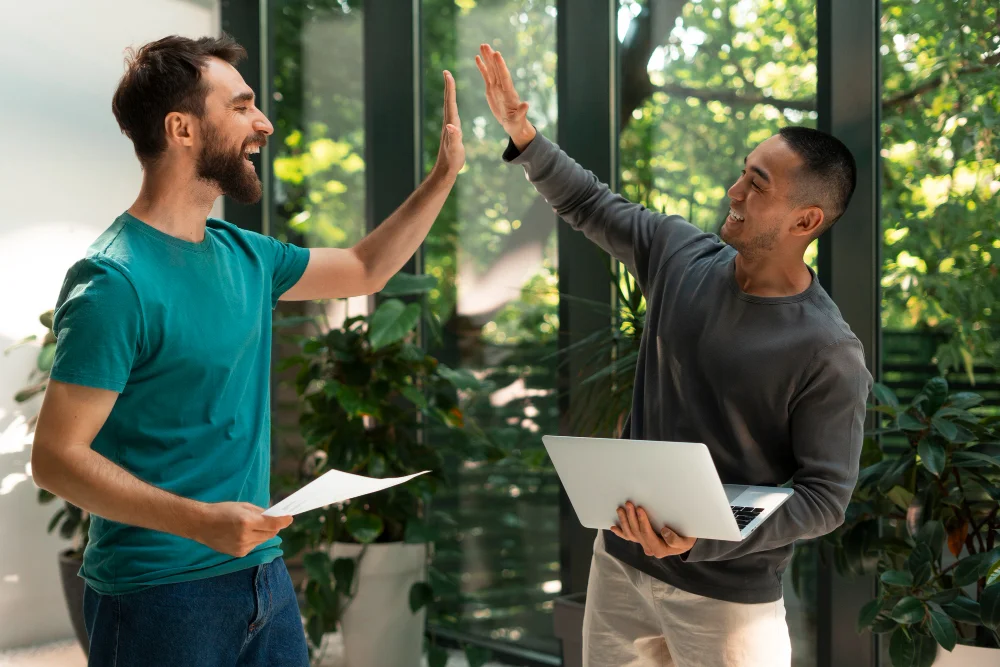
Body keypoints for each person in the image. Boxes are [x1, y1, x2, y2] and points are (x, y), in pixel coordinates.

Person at [30, 34, 463, 666]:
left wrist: (443, 177)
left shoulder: (245, 254)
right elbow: (57, 459)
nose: (261, 123)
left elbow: (366, 268)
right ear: (181, 128)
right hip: (158, 597)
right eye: (240, 106)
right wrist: (200, 522)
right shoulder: (114, 281)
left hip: (263, 580)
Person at [476, 43, 872, 667]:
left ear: (806, 220)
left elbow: (824, 499)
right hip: (619, 568)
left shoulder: (829, 350)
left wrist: (706, 537)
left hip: (728, 605)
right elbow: (587, 202)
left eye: (757, 185)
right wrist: (522, 134)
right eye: (744, 171)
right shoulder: (679, 254)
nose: (733, 190)